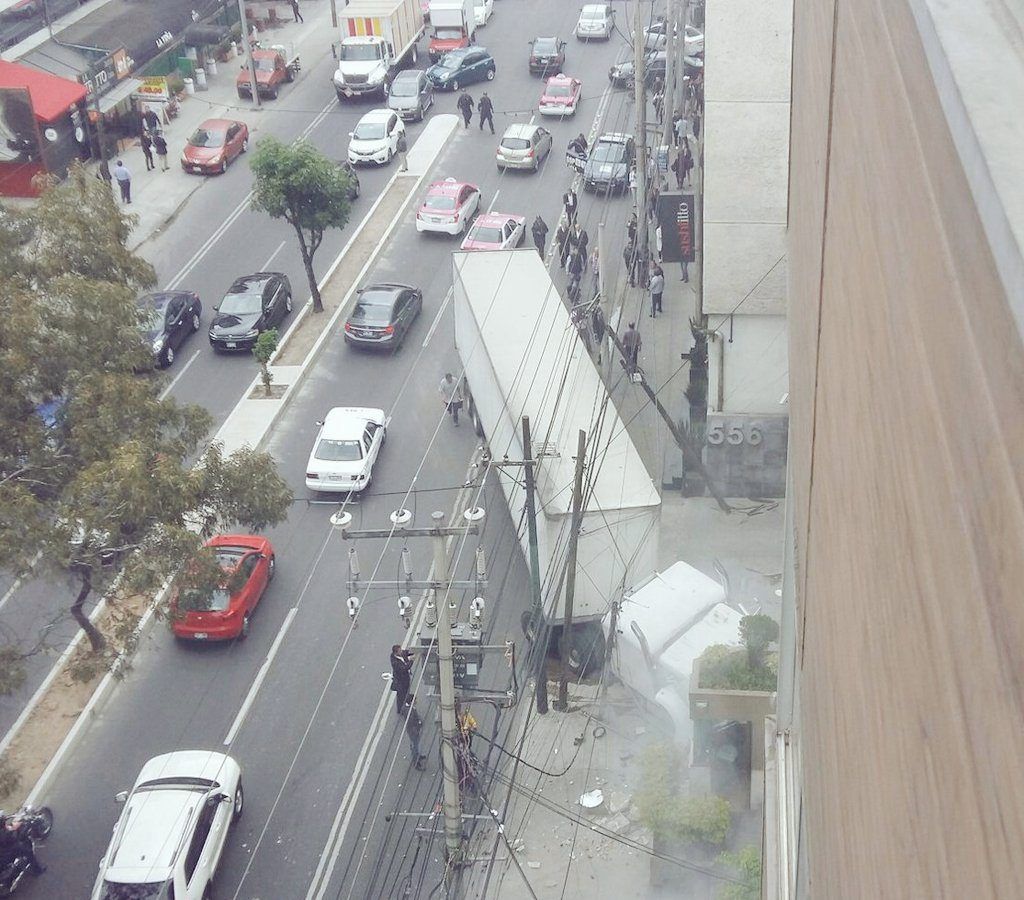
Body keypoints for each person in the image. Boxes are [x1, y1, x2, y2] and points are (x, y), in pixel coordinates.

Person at [390, 645, 413, 715]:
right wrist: (411, 660)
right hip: (401, 681)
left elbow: (405, 653)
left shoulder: (400, 654)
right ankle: (400, 709)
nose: (401, 652)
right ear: (396, 653)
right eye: (400, 651)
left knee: (406, 691)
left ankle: (407, 701)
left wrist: (413, 651)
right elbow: (404, 668)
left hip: (405, 678)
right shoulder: (395, 662)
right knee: (401, 695)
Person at [404, 703, 427, 770]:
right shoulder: (410, 711)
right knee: (415, 746)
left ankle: (417, 756)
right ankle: (416, 762)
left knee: (415, 744)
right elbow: (411, 722)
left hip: (412, 731)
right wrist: (418, 726)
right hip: (413, 731)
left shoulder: (408, 708)